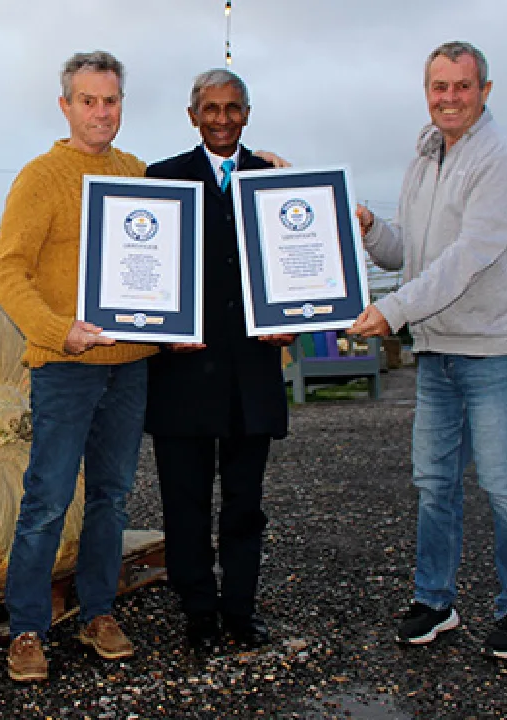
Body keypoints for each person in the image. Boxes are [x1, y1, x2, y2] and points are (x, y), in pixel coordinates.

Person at [349, 40, 507, 660]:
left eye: (462, 87)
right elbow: (414, 251)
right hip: (438, 352)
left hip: (496, 350)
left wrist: (393, 311)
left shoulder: (503, 160)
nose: (450, 98)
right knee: (434, 483)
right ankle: (435, 600)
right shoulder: (424, 159)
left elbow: (467, 258)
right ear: (427, 91)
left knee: (504, 484)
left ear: (485, 91)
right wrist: (370, 229)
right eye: (440, 87)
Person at [0, 50, 157, 683]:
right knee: (48, 500)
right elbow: (8, 273)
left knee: (112, 498)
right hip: (64, 363)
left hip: (130, 363)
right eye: (87, 101)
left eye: (110, 100)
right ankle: (28, 627)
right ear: (65, 106)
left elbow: (171, 255)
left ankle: (97, 613)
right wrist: (60, 330)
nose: (100, 112)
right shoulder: (40, 178)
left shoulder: (139, 175)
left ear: (121, 106)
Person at [144, 68, 294, 653]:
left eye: (233, 107)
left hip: (250, 379)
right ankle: (198, 615)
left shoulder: (277, 182)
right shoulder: (161, 181)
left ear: (248, 113)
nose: (223, 118)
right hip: (182, 376)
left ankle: (240, 612)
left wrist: (292, 323)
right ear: (192, 115)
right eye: (211, 108)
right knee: (184, 507)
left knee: (244, 508)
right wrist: (159, 334)